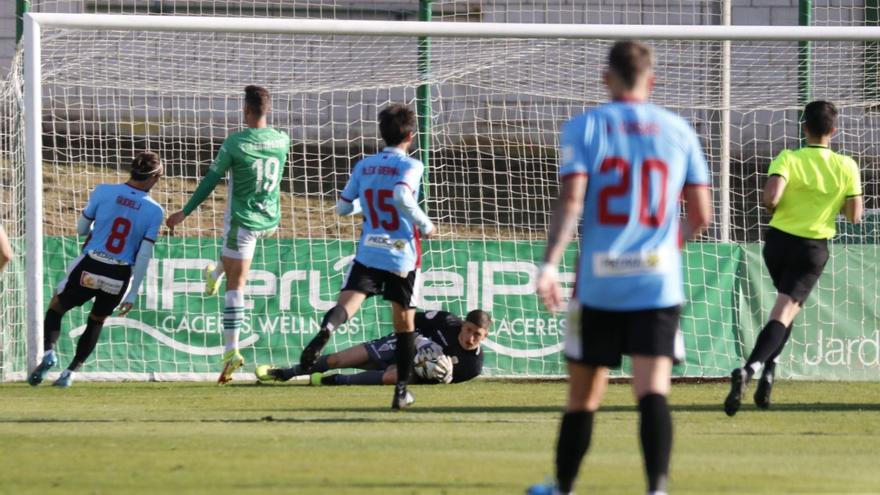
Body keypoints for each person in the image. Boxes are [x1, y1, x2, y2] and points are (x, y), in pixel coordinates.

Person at [528, 41, 712, 495]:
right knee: (652, 391)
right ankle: (657, 489)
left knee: (584, 397)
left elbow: (572, 202)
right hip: (657, 283)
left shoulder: (585, 127)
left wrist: (549, 265)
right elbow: (702, 214)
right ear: (651, 82)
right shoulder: (678, 130)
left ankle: (564, 487)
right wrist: (671, 246)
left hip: (600, 284)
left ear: (605, 78)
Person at [724, 101, 862, 416]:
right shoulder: (846, 166)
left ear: (804, 128)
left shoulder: (787, 157)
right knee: (784, 311)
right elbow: (855, 216)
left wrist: (783, 206)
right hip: (811, 249)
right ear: (834, 130)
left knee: (787, 310)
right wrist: (831, 203)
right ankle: (751, 369)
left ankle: (768, 377)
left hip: (776, 244)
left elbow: (771, 197)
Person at [297, 103, 435, 410]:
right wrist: (425, 224)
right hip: (401, 255)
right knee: (404, 326)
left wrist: (369, 206)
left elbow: (344, 208)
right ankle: (401, 391)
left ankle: (326, 331)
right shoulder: (413, 166)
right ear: (410, 136)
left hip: (370, 250)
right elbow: (401, 196)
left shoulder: (364, 166)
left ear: (382, 134)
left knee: (346, 305)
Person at [165, 85, 290, 385]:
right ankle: (214, 274)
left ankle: (230, 350)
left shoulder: (235, 143)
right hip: (270, 219)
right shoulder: (282, 139)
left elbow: (211, 179)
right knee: (228, 263)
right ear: (267, 110)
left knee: (237, 284)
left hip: (243, 222)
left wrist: (185, 212)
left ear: (245, 110)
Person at [28, 152, 165, 387]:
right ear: (154, 177)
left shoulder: (103, 191)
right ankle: (69, 373)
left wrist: (100, 225)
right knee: (97, 320)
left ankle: (49, 353)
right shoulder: (155, 210)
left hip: (91, 265)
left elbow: (81, 229)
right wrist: (132, 293)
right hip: (118, 275)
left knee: (57, 307)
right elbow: (143, 255)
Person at [256, 309, 491, 385]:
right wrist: (420, 341)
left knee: (392, 376)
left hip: (415, 371)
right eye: (469, 330)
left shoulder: (473, 366)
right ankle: (285, 373)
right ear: (463, 325)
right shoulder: (446, 321)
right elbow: (406, 319)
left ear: (485, 336)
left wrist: (442, 374)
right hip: (404, 344)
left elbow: (441, 383)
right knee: (339, 358)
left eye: (477, 335)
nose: (470, 337)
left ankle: (335, 381)